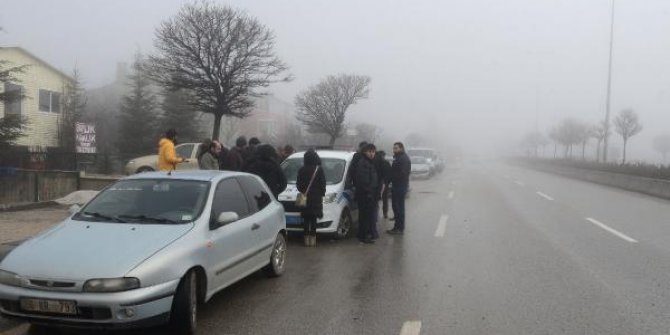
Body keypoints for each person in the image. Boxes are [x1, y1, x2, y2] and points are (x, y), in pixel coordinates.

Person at [296, 149, 326, 247]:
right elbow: (323, 184)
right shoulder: (319, 169)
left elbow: (298, 185)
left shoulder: (301, 169)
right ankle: (312, 241)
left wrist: (303, 192)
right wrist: (321, 193)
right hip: (316, 198)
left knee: (306, 219)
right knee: (313, 219)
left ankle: (305, 240)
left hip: (305, 197)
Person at [355, 143, 378, 244]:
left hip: (368, 193)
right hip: (365, 194)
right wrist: (369, 192)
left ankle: (363, 235)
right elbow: (364, 181)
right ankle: (365, 236)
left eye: (373, 152)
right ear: (364, 152)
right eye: (370, 151)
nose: (372, 154)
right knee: (366, 216)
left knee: (366, 215)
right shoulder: (363, 163)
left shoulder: (369, 162)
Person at [388, 142, 411, 235]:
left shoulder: (403, 159)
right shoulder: (399, 157)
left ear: (401, 148)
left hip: (400, 186)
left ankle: (399, 228)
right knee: (397, 207)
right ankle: (398, 227)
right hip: (398, 185)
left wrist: (391, 177)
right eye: (393, 148)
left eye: (396, 148)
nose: (394, 150)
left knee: (399, 208)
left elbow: (402, 173)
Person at [376, 150, 392, 219]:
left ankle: (376, 214)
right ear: (384, 155)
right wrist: (387, 182)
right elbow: (390, 174)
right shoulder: (386, 163)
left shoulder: (374, 162)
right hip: (385, 184)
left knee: (375, 200)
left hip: (376, 184)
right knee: (385, 200)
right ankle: (385, 213)